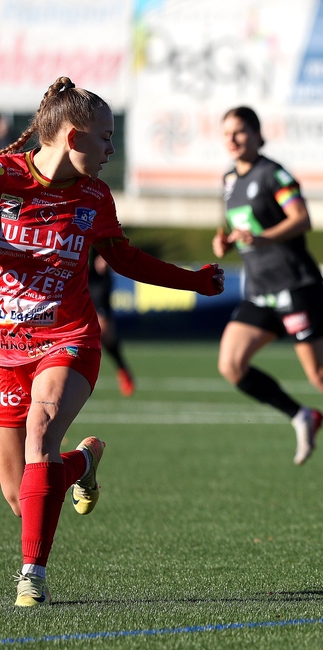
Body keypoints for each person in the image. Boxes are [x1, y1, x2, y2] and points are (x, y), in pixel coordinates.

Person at [0, 77, 225, 606]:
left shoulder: (95, 196)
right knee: (19, 494)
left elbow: (123, 259)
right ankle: (83, 462)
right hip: (6, 348)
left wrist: (193, 279)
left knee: (40, 433)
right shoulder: (6, 178)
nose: (111, 150)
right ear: (74, 138)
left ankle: (32, 575)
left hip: (67, 337)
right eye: (105, 138)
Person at [212, 106, 323, 485]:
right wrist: (223, 240)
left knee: (322, 376)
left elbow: (302, 219)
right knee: (231, 365)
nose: (233, 139)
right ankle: (300, 415)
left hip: (296, 287)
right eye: (227, 133)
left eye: (241, 131)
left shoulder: (273, 173)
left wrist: (263, 237)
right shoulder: (228, 179)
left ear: (258, 136)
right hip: (260, 292)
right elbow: (236, 223)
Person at [89, 250, 135, 396]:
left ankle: (123, 371)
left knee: (107, 338)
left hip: (102, 310)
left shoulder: (105, 278)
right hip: (87, 313)